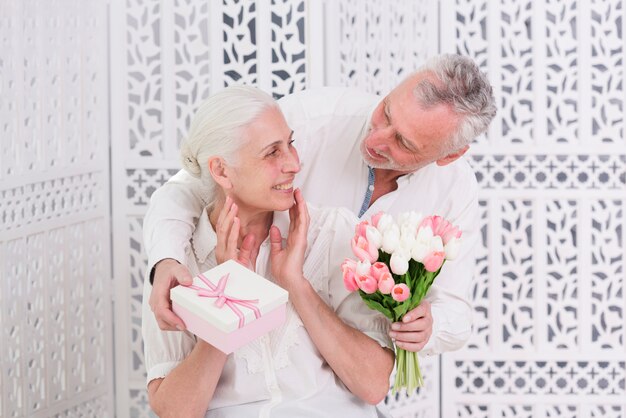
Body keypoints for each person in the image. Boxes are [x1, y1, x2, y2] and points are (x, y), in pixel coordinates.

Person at [144, 53, 496, 356]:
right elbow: (187, 186)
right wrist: (166, 259)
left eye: (402, 142)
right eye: (386, 112)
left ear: (450, 155)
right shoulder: (314, 118)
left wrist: (430, 327)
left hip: (362, 370)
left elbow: (456, 313)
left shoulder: (456, 189)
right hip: (264, 347)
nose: (375, 139)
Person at [142, 86, 395, 417]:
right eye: (271, 153)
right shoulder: (176, 263)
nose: (294, 163)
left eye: (289, 143)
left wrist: (296, 284)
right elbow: (175, 411)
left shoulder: (331, 232)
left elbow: (373, 385)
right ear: (220, 171)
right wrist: (227, 300)